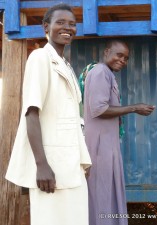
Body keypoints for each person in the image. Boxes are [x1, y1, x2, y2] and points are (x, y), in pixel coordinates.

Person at [5, 4, 91, 225]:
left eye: (72, 24)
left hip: (71, 164)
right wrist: (41, 165)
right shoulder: (40, 58)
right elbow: (31, 113)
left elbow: (72, 118)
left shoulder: (65, 65)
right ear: (46, 26)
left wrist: (82, 160)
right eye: (60, 22)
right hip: (51, 167)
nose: (67, 28)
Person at [84, 40, 155, 225]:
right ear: (107, 52)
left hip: (107, 145)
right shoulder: (100, 72)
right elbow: (98, 109)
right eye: (119, 55)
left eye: (126, 58)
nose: (123, 60)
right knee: (101, 196)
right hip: (100, 147)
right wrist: (134, 108)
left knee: (107, 195)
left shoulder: (107, 74)